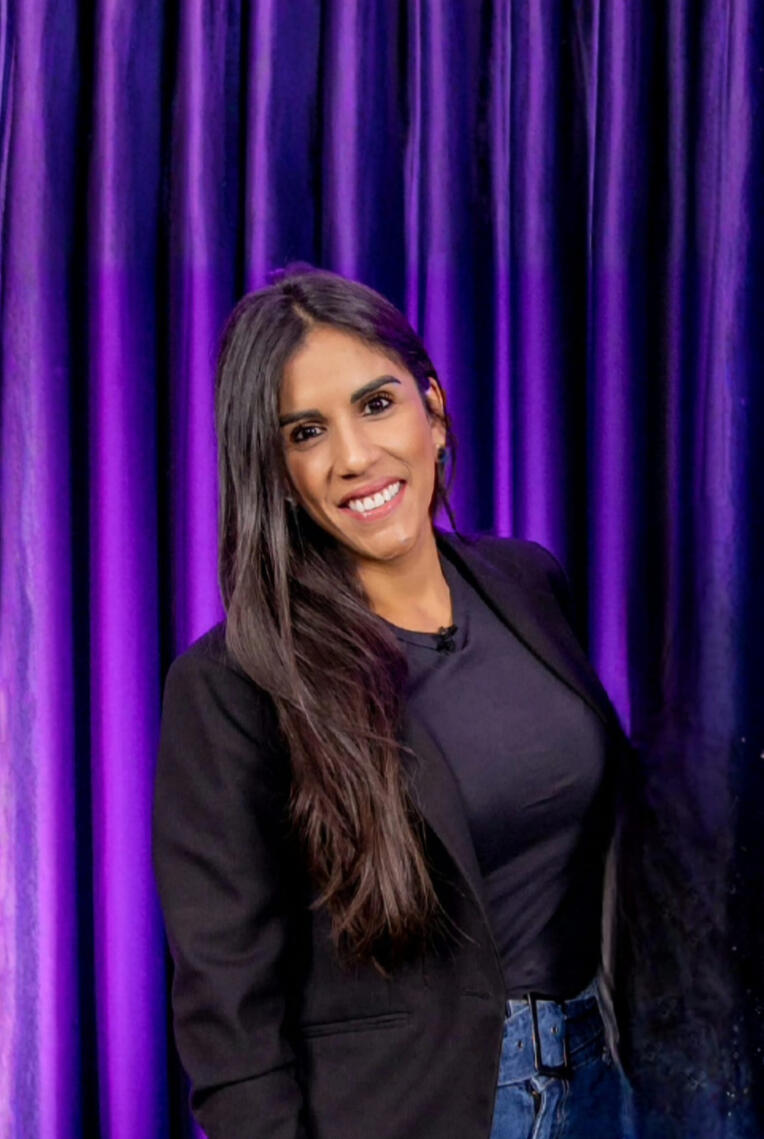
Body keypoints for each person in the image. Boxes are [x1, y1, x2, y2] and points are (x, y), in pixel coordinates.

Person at [152, 264, 637, 1139]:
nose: (353, 456)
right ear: (277, 470)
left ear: (434, 411)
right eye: (306, 432)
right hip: (413, 1111)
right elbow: (230, 1016)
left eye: (376, 404)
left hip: (602, 1086)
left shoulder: (527, 582)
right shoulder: (232, 684)